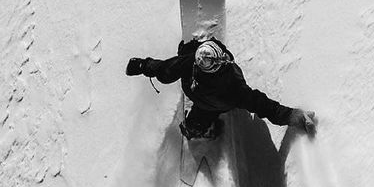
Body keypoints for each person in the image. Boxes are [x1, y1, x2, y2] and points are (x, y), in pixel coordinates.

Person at [126, 36, 317, 140]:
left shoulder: (193, 65)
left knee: (193, 125)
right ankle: (203, 129)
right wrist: (295, 116)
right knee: (196, 123)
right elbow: (264, 106)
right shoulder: (229, 82)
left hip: (207, 103)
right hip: (211, 105)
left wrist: (142, 65)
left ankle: (200, 129)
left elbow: (164, 70)